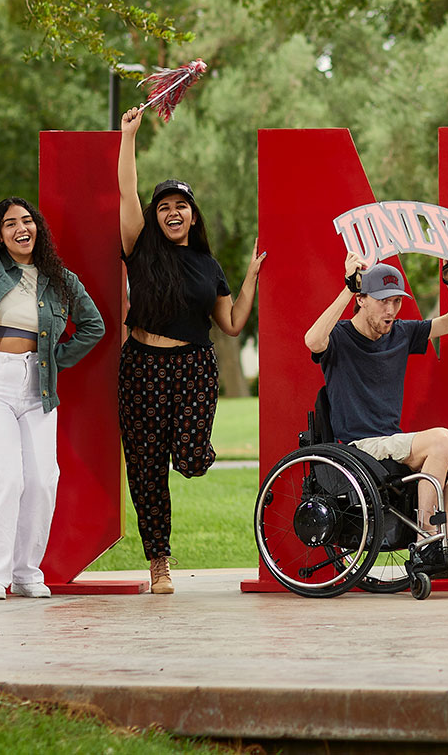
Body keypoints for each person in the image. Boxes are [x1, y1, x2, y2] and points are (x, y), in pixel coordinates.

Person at [0, 57, 106, 599]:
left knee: (43, 481)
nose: (20, 227)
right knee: (4, 479)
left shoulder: (58, 279)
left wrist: (56, 360)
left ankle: (27, 572)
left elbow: (95, 325)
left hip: (38, 386)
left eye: (27, 220)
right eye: (10, 223)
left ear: (38, 229)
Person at [116, 104, 264, 593]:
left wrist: (251, 277)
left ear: (192, 215)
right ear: (155, 217)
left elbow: (233, 323)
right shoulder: (140, 248)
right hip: (141, 367)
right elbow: (126, 191)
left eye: (181, 206)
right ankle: (159, 563)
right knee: (145, 468)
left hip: (194, 366)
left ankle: (198, 451)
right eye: (164, 207)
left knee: (191, 460)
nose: (172, 212)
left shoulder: (207, 264)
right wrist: (130, 137)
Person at [304, 249, 448, 578]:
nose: (391, 310)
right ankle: (427, 541)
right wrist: (347, 287)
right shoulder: (341, 336)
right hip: (359, 448)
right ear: (362, 300)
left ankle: (441, 544)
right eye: (382, 301)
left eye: (396, 301)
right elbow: (312, 340)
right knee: (440, 439)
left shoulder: (402, 333)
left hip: (391, 443)